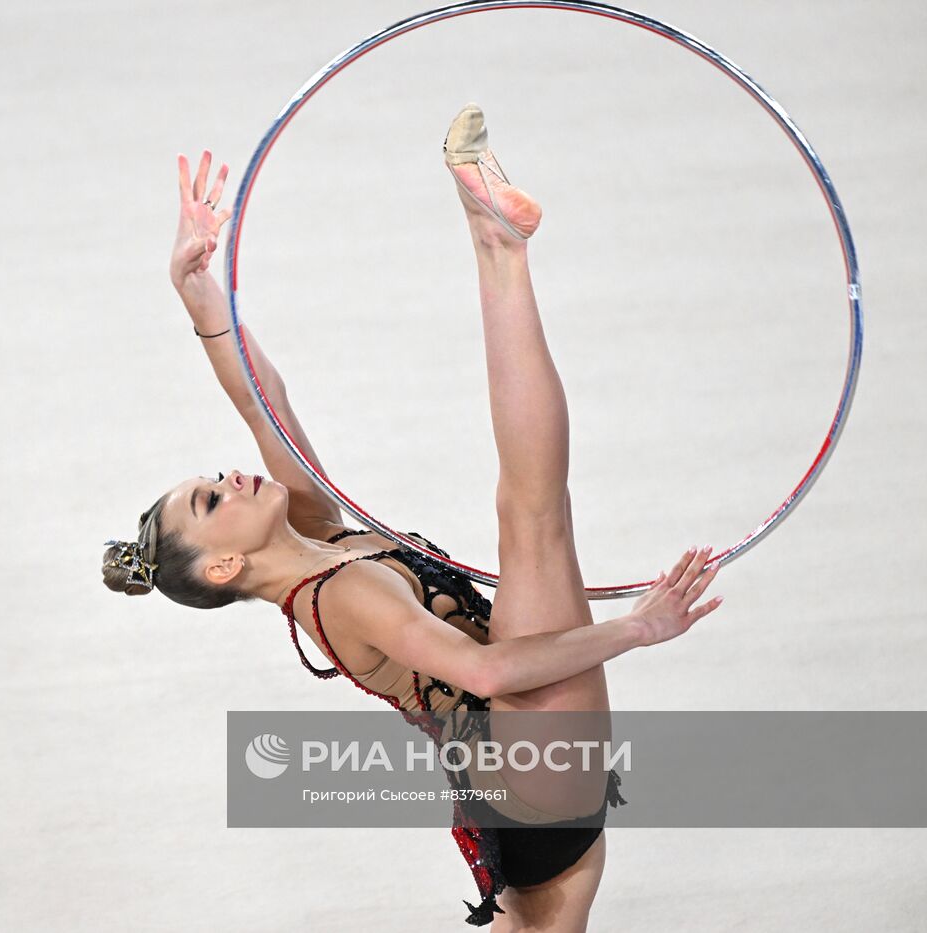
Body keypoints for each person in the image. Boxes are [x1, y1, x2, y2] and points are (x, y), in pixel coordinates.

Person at [102, 104, 724, 932]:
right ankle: (497, 247)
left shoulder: (318, 534)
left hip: (517, 786)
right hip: (523, 763)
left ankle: (497, 246)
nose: (232, 477)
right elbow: (492, 674)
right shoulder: (339, 597)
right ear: (222, 568)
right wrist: (640, 629)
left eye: (213, 476)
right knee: (533, 518)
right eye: (211, 498)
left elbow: (263, 403)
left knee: (534, 515)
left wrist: (195, 290)